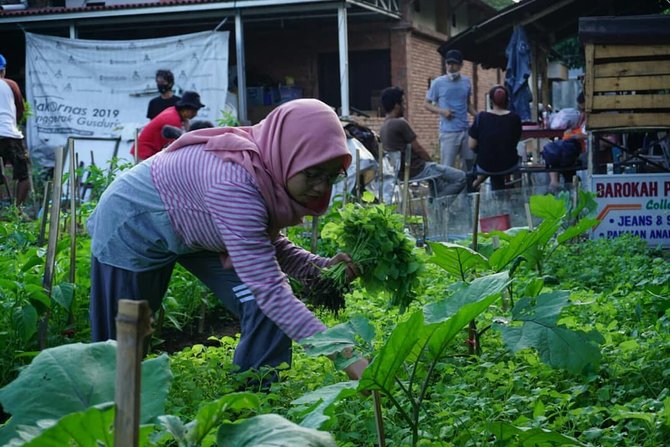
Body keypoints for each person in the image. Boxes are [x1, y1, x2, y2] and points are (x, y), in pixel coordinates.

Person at [88, 99, 368, 381]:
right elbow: (268, 288)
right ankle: (106, 412)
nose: (321, 187)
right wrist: (342, 353)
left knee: (264, 310)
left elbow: (260, 241)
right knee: (123, 343)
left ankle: (255, 405)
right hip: (134, 223)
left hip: (197, 225)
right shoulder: (235, 184)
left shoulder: (266, 166)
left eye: (331, 177)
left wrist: (317, 268)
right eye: (312, 173)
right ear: (289, 152)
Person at [379, 87, 466, 198]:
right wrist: (432, 163)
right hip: (417, 169)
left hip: (401, 173)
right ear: (397, 105)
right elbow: (418, 149)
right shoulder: (400, 124)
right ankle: (436, 202)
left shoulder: (383, 128)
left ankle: (436, 207)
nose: (405, 107)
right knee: (461, 177)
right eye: (403, 103)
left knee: (437, 181)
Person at [425, 49, 477, 172]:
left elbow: (468, 104)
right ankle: (449, 192)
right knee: (447, 168)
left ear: (461, 65)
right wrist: (442, 111)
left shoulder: (466, 82)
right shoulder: (438, 83)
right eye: (448, 63)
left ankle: (467, 190)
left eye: (454, 64)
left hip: (465, 130)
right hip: (448, 132)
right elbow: (426, 104)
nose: (451, 67)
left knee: (469, 166)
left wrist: (479, 116)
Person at [468, 85, 522, 191]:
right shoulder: (515, 118)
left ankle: (475, 184)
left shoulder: (481, 117)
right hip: (509, 164)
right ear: (508, 100)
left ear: (491, 100)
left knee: (489, 165)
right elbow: (516, 140)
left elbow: (471, 145)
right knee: (500, 162)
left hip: (485, 165)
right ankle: (513, 194)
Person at [131, 91, 204, 161]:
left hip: (145, 150)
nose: (195, 114)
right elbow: (176, 148)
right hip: (144, 152)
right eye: (194, 111)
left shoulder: (173, 111)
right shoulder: (173, 120)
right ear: (186, 109)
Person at [0, 53, 31, 207]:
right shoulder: (11, 85)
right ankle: (17, 211)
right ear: (3, 70)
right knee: (23, 176)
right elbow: (20, 110)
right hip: (9, 135)